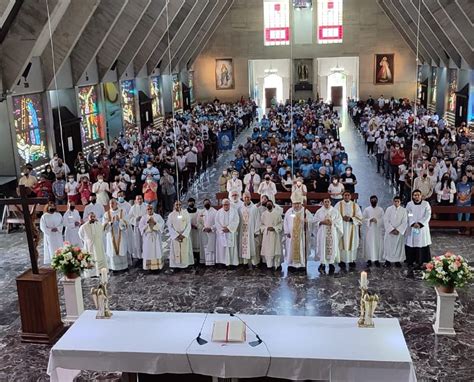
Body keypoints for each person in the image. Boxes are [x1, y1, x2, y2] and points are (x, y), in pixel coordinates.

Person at [314, 197, 343, 275]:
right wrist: (321, 222)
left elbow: (339, 221)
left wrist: (332, 222)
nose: (326, 203)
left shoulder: (335, 211)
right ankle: (322, 264)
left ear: (330, 202)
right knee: (322, 247)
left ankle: (331, 264)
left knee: (332, 247)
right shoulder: (319, 211)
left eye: (328, 202)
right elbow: (314, 221)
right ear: (323, 202)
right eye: (325, 202)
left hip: (332, 233)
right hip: (322, 234)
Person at [283, 194, 313, 271]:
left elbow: (312, 221)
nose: (296, 205)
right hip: (291, 235)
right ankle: (291, 264)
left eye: (298, 203)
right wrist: (286, 232)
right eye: (295, 203)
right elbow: (285, 222)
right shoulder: (289, 212)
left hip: (301, 235)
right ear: (292, 204)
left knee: (301, 248)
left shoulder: (305, 212)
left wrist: (307, 222)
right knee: (290, 249)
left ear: (301, 203)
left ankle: (302, 264)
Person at [335, 191, 362, 271]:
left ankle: (351, 260)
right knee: (341, 244)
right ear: (343, 196)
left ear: (351, 196)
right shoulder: (338, 205)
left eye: (348, 195)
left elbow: (360, 218)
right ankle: (342, 261)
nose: (347, 196)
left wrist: (350, 218)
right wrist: (342, 218)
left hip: (351, 228)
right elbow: (334, 215)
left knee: (352, 244)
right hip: (341, 228)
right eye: (345, 195)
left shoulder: (355, 205)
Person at [405, 189, 432, 269]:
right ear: (413, 196)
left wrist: (420, 223)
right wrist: (413, 223)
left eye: (418, 195)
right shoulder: (409, 204)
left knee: (421, 243)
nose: (417, 196)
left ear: (421, 196)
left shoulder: (426, 204)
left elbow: (428, 215)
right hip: (413, 227)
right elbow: (409, 214)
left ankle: (421, 261)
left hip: (422, 228)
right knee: (412, 244)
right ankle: (411, 261)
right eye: (415, 195)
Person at [103, 199, 129, 271]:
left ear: (116, 204)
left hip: (121, 234)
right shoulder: (106, 214)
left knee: (122, 248)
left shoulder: (122, 212)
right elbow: (104, 226)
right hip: (111, 234)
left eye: (113, 203)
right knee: (112, 250)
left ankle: (124, 266)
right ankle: (114, 267)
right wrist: (109, 223)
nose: (111, 205)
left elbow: (127, 222)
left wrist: (120, 221)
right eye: (110, 203)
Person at [79, 212, 108, 278]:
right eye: (91, 216)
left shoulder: (99, 224)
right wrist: (86, 240)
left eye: (94, 216)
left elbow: (103, 231)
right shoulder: (84, 226)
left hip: (98, 244)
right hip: (89, 245)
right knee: (91, 258)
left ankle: (100, 271)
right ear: (88, 217)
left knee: (99, 257)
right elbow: (80, 234)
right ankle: (92, 273)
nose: (92, 218)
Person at [167, 201, 194, 269]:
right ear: (174, 205)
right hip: (175, 237)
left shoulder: (185, 213)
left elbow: (188, 225)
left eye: (179, 204)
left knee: (185, 250)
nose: (178, 206)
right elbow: (170, 226)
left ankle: (185, 265)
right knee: (176, 251)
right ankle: (176, 266)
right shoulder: (171, 215)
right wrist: (176, 235)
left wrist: (184, 234)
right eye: (176, 204)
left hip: (184, 236)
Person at [383, 196, 408, 268]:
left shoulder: (404, 210)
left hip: (398, 233)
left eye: (398, 201)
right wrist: (391, 229)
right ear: (393, 201)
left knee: (398, 247)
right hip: (390, 233)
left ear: (400, 202)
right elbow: (386, 220)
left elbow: (405, 221)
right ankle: (387, 261)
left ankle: (397, 261)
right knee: (389, 246)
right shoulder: (389, 209)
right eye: (395, 201)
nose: (396, 203)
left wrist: (398, 230)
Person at [139, 204, 165, 270]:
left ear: (153, 209)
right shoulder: (144, 217)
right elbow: (141, 227)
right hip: (147, 237)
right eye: (148, 209)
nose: (150, 210)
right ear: (146, 210)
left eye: (151, 209)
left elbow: (162, 225)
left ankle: (157, 266)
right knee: (148, 251)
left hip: (156, 236)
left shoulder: (158, 216)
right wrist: (148, 224)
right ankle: (148, 267)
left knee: (157, 250)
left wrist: (155, 223)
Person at [215, 198, 240, 267]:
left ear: (229, 204)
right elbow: (216, 222)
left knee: (231, 248)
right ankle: (222, 262)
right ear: (222, 205)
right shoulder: (219, 212)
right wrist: (222, 229)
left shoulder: (234, 211)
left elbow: (236, 221)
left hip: (230, 233)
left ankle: (232, 263)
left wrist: (229, 228)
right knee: (222, 248)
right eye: (224, 204)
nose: (226, 206)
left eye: (227, 204)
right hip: (222, 233)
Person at [238, 192, 261, 266]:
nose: (246, 199)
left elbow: (258, 220)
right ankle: (245, 262)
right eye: (245, 197)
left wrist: (256, 231)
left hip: (252, 231)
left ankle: (255, 262)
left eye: (248, 197)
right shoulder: (240, 208)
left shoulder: (254, 208)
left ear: (250, 198)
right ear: (242, 198)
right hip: (243, 231)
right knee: (244, 246)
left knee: (253, 246)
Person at [260, 200, 283, 270]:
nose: (268, 205)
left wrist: (274, 228)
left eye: (270, 204)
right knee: (268, 251)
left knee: (275, 251)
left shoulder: (277, 213)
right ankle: (269, 265)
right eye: (267, 204)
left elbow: (280, 224)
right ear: (266, 206)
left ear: (273, 205)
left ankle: (276, 265)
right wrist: (266, 228)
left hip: (275, 235)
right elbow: (261, 225)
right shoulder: (263, 214)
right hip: (267, 235)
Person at [362, 195, 384, 267]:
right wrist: (369, 220)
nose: (373, 201)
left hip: (377, 230)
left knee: (377, 244)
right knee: (369, 245)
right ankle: (369, 259)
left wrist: (377, 220)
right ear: (370, 201)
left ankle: (377, 259)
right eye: (372, 200)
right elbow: (363, 219)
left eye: (375, 200)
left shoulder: (380, 210)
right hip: (369, 230)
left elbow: (383, 219)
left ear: (377, 201)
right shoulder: (367, 209)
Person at [197, 199, 217, 266]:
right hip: (205, 233)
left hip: (212, 233)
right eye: (205, 204)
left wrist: (211, 228)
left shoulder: (215, 212)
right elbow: (198, 223)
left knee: (213, 247)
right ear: (203, 205)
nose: (206, 204)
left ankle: (214, 262)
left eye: (207, 203)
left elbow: (217, 222)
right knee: (206, 247)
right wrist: (203, 228)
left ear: (210, 203)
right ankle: (207, 262)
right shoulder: (202, 212)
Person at [128, 195, 147, 262]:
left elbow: (150, 215)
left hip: (145, 228)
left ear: (143, 199)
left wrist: (144, 219)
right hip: (137, 227)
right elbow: (130, 218)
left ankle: (146, 256)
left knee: (145, 242)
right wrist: (136, 219)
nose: (139, 200)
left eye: (140, 199)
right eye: (138, 199)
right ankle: (139, 258)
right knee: (138, 242)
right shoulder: (133, 208)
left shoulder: (146, 206)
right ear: (135, 200)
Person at [186, 198, 201, 263]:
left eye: (192, 202)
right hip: (188, 231)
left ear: (194, 203)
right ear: (187, 203)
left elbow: (200, 219)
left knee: (197, 243)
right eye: (189, 202)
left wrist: (196, 225)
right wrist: (189, 225)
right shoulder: (185, 212)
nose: (191, 203)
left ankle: (197, 258)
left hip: (196, 230)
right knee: (190, 243)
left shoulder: (198, 211)